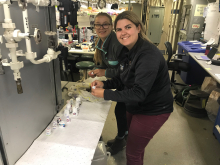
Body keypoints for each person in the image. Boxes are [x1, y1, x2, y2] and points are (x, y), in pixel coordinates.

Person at [91, 11, 173, 165]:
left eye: (128, 27)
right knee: (135, 146)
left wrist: (105, 93)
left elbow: (138, 93)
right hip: (136, 106)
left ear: (138, 28)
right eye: (119, 29)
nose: (123, 33)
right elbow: (123, 78)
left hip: (153, 109)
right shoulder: (128, 51)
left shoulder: (148, 55)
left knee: (132, 153)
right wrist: (105, 84)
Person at [88, 12, 128, 154]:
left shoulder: (117, 43)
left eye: (105, 24)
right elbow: (107, 65)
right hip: (119, 81)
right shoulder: (100, 42)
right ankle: (122, 137)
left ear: (111, 26)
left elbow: (124, 70)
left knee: (121, 110)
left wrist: (105, 73)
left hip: (129, 83)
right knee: (121, 110)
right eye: (98, 24)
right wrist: (97, 71)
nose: (101, 27)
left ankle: (122, 139)